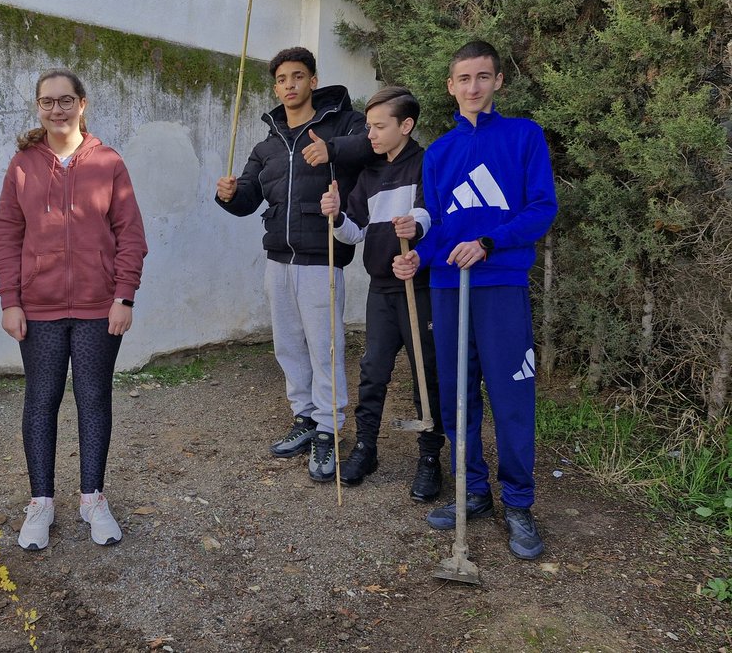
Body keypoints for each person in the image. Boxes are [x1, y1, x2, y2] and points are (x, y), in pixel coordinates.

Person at [393, 41, 557, 559]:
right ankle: (473, 492)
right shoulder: (439, 152)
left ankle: (519, 504)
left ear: (498, 81)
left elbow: (541, 208)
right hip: (448, 289)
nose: (473, 87)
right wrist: (419, 256)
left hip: (500, 285)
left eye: (483, 77)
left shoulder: (524, 136)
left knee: (511, 398)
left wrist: (490, 242)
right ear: (450, 86)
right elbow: (440, 228)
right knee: (456, 396)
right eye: (464, 79)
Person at [0, 69, 148, 551]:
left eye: (65, 101)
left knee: (93, 398)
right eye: (46, 102)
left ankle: (92, 498)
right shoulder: (22, 163)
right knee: (41, 400)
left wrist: (123, 296)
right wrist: (10, 300)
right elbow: (6, 235)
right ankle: (41, 502)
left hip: (99, 308)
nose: (56, 110)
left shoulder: (108, 162)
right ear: (38, 107)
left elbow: (131, 236)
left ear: (82, 104)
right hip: (37, 308)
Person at [214, 46, 373, 482]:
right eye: (282, 79)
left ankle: (328, 427)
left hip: (322, 256)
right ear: (276, 86)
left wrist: (333, 151)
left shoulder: (342, 122)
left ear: (313, 81)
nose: (290, 85)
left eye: (298, 76)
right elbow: (248, 198)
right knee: (287, 345)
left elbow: (372, 146)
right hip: (278, 258)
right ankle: (304, 416)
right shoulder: (267, 143)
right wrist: (228, 194)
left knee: (324, 347)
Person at [321, 86, 445, 500]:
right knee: (373, 370)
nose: (369, 134)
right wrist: (336, 214)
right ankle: (365, 448)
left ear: (405, 126)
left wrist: (418, 226)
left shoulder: (428, 163)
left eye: (378, 126)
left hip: (419, 287)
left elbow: (432, 212)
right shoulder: (370, 174)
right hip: (380, 289)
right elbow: (353, 231)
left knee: (426, 374)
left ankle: (429, 458)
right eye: (368, 126)